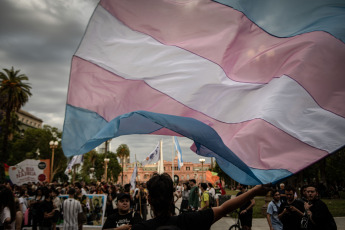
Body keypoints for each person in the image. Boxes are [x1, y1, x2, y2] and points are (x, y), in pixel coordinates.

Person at [132, 173, 268, 230]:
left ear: (149, 200)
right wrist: (254, 191)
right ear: (172, 198)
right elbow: (224, 209)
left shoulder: (140, 228)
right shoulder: (191, 221)